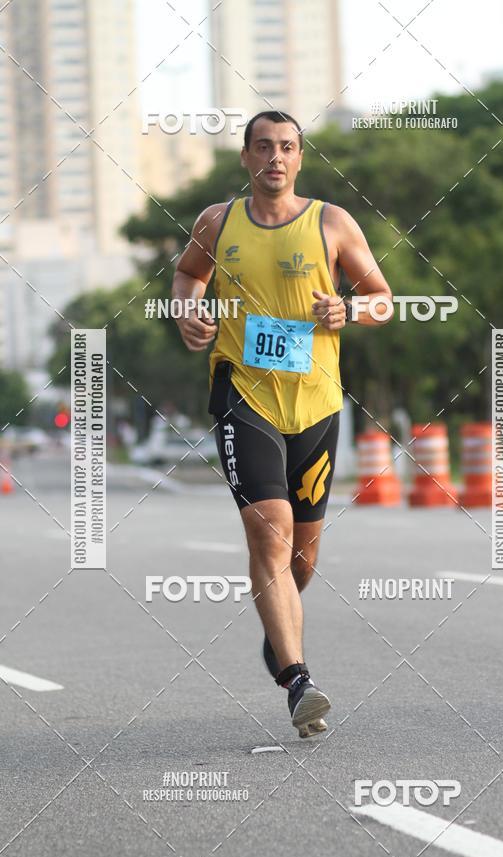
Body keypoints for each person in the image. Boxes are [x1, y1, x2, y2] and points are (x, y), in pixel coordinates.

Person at [172, 110, 392, 737]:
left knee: (302, 557)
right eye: (263, 147)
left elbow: (384, 298)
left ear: (300, 159)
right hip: (245, 395)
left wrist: (348, 309)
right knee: (270, 534)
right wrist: (188, 313)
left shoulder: (332, 223)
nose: (276, 157)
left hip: (317, 402)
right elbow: (189, 276)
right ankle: (298, 679)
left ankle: (278, 634)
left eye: (287, 148)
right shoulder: (217, 222)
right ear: (245, 157)